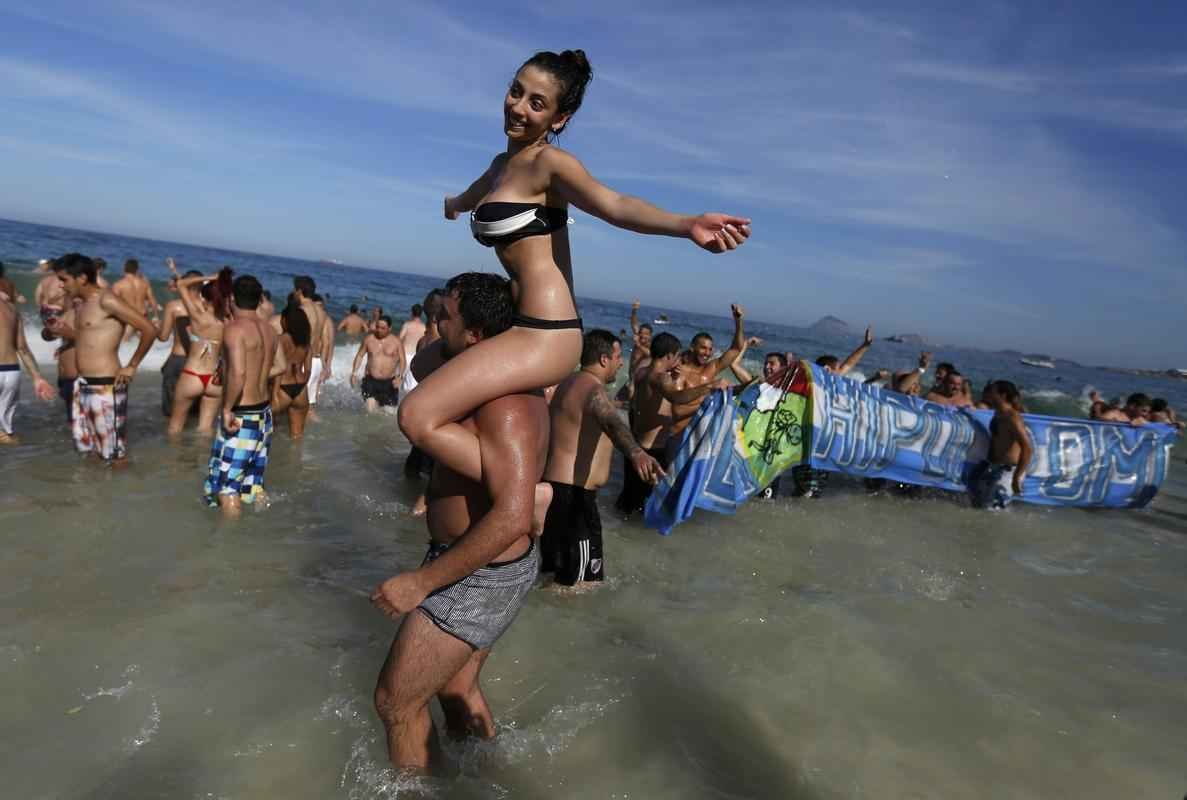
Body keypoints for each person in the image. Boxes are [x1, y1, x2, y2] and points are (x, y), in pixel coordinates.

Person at [399, 49, 750, 515]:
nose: (518, 107)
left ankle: (528, 493)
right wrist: (453, 206)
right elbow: (470, 196)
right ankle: (504, 459)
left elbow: (615, 204)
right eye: (516, 91)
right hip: (519, 326)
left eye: (537, 103)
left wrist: (686, 225)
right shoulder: (501, 165)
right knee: (424, 362)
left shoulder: (551, 164)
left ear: (559, 119)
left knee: (415, 416)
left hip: (548, 332)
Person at [371, 272, 546, 770]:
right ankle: (484, 774)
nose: (434, 322)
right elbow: (421, 363)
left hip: (483, 571)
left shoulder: (507, 405)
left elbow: (512, 518)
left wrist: (421, 583)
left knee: (396, 702)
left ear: (475, 335)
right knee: (457, 688)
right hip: (471, 559)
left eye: (444, 316)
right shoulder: (469, 374)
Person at [541, 329, 664, 586]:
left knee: (554, 578)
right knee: (581, 586)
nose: (621, 363)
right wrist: (637, 452)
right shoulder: (594, 390)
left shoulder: (568, 383)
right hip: (575, 500)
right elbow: (611, 422)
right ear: (604, 359)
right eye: (618, 357)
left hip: (554, 494)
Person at [57, 253, 156, 465]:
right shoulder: (81, 305)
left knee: (115, 455)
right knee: (90, 450)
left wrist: (132, 365)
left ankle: (122, 485)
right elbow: (89, 338)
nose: (61, 285)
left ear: (82, 278)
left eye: (64, 280)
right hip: (82, 384)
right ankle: (97, 486)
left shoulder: (107, 300)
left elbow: (149, 329)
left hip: (106, 386)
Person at [615, 332, 726, 514]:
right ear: (668, 356)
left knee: (627, 501)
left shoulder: (641, 372)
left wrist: (673, 379)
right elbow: (677, 398)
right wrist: (709, 387)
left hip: (636, 447)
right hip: (653, 453)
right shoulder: (660, 378)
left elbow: (647, 402)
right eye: (676, 356)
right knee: (646, 508)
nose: (678, 360)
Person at [204, 275, 278, 517]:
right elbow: (280, 366)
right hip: (264, 414)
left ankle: (228, 540)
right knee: (253, 484)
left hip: (242, 414)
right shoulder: (270, 330)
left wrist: (227, 409)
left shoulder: (234, 330)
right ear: (258, 300)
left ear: (232, 298)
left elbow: (239, 373)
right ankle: (261, 529)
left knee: (227, 490)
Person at [666, 305, 747, 457]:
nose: (707, 353)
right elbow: (677, 412)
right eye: (703, 348)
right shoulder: (680, 372)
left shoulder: (711, 368)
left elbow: (736, 348)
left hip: (700, 440)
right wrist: (712, 403)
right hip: (679, 439)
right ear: (692, 347)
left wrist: (738, 321)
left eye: (710, 349)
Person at [167, 265, 233, 435]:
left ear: (205, 299)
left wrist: (210, 277)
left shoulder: (198, 317)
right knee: (205, 430)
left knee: (175, 428)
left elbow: (181, 284)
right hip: (215, 379)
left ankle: (173, 453)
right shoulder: (228, 322)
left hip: (193, 374)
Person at [0, 289, 54, 444]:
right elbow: (22, 348)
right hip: (11, 372)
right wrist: (37, 378)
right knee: (5, 429)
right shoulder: (11, 308)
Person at [968, 380, 1032, 509]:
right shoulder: (998, 414)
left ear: (1002, 395)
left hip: (1007, 470)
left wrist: (1016, 477)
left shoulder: (1012, 417)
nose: (989, 394)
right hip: (991, 466)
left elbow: (1027, 448)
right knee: (977, 504)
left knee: (992, 510)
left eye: (992, 391)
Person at [157, 266, 198, 418]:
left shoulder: (174, 306)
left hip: (178, 359)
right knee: (193, 409)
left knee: (170, 410)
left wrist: (155, 326)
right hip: (199, 361)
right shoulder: (207, 307)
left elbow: (163, 337)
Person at [271, 300, 313, 439]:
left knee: (266, 432)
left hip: (281, 388)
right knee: (297, 437)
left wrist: (274, 394)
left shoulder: (280, 340)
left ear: (285, 321)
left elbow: (279, 368)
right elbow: (308, 369)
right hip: (301, 389)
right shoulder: (306, 343)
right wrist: (303, 383)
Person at [351, 315, 406, 413]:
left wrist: (400, 376)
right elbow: (359, 355)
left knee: (389, 413)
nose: (379, 330)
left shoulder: (396, 342)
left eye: (383, 328)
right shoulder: (369, 339)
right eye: (377, 327)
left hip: (389, 383)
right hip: (371, 381)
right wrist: (354, 373)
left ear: (390, 328)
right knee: (370, 411)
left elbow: (402, 360)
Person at [292, 277, 328, 409]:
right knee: (308, 406)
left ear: (299, 291)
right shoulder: (321, 312)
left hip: (303, 363)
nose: (293, 292)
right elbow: (324, 340)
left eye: (294, 289)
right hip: (316, 361)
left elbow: (293, 339)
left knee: (294, 406)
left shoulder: (301, 310)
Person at [112, 259, 161, 340]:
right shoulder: (144, 283)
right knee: (142, 343)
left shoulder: (118, 285)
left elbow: (113, 304)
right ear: (137, 270)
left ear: (124, 268)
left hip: (129, 318)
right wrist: (156, 317)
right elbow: (152, 300)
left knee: (123, 343)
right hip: (143, 317)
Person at [396, 304, 426, 397]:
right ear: (421, 314)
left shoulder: (407, 325)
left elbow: (398, 339)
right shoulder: (424, 327)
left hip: (404, 356)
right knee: (409, 386)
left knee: (398, 380)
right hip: (416, 358)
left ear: (412, 312)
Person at [34, 260, 67, 340]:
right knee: (62, 333)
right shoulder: (62, 281)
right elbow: (60, 294)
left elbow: (37, 296)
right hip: (56, 310)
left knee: (52, 332)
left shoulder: (44, 280)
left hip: (44, 310)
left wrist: (42, 307)